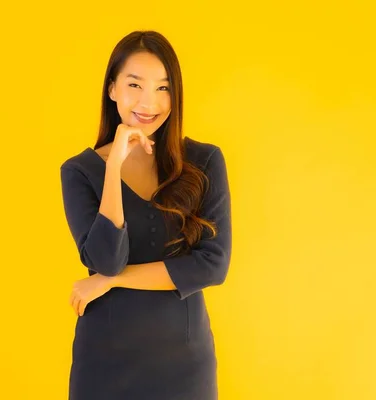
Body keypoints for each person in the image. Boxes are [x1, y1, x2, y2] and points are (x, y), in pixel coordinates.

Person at [59, 30, 232, 400]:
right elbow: (107, 259)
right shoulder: (79, 171)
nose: (149, 102)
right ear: (112, 89)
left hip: (183, 365)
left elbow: (212, 266)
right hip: (103, 365)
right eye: (135, 85)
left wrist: (112, 282)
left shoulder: (204, 162)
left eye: (163, 88)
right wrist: (113, 165)